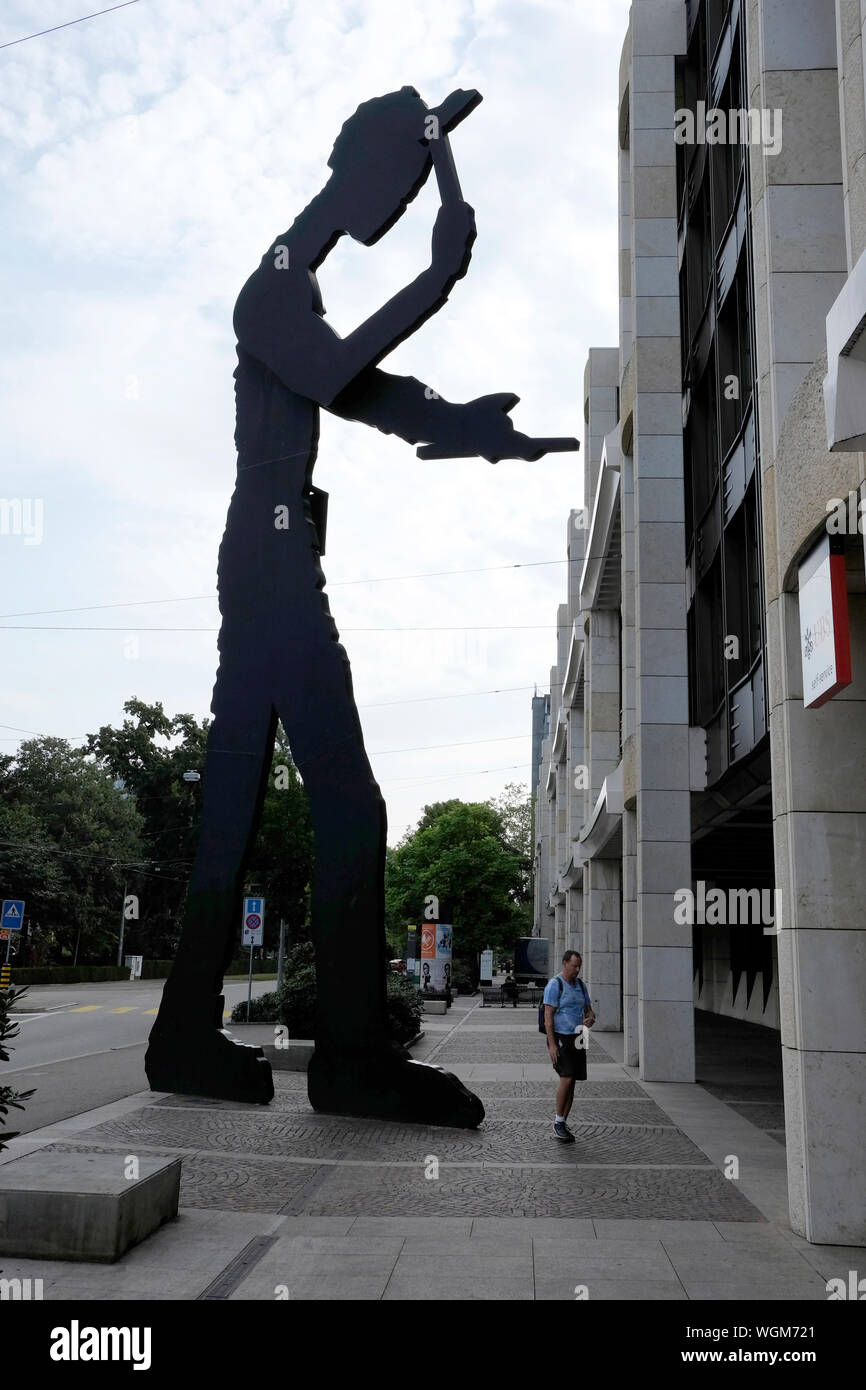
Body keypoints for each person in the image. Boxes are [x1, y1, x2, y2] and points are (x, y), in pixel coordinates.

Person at [145, 85, 575, 1127]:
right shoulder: (271, 290)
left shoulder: (297, 290)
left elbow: (378, 396)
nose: (407, 195)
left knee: (236, 802)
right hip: (271, 560)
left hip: (264, 556)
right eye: (408, 175)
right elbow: (342, 376)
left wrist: (473, 426)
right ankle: (344, 1057)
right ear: (367, 170)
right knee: (349, 800)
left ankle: (184, 1035)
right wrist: (436, 273)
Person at [542, 951, 595, 1142]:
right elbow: (548, 1018)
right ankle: (557, 1122)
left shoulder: (580, 985)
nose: (577, 969)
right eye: (574, 965)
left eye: (579, 966)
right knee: (567, 1077)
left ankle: (563, 1121)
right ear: (564, 964)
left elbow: (589, 1010)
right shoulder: (555, 985)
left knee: (573, 1081)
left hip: (579, 1036)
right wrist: (552, 1044)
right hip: (561, 1037)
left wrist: (590, 1018)